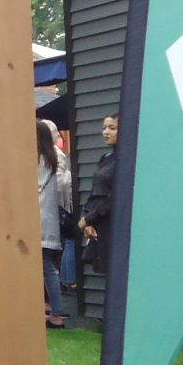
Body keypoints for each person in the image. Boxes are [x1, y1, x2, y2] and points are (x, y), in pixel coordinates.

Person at [78, 112, 120, 280]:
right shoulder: (105, 158)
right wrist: (86, 218)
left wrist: (90, 218)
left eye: (112, 128)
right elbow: (95, 191)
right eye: (104, 128)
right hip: (98, 226)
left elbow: (115, 196)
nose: (106, 132)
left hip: (114, 224)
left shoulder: (126, 159)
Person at [36, 119, 67, 329]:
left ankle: (57, 312)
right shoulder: (53, 158)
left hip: (38, 220)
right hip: (47, 219)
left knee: (47, 268)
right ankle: (52, 309)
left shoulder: (40, 160)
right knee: (47, 267)